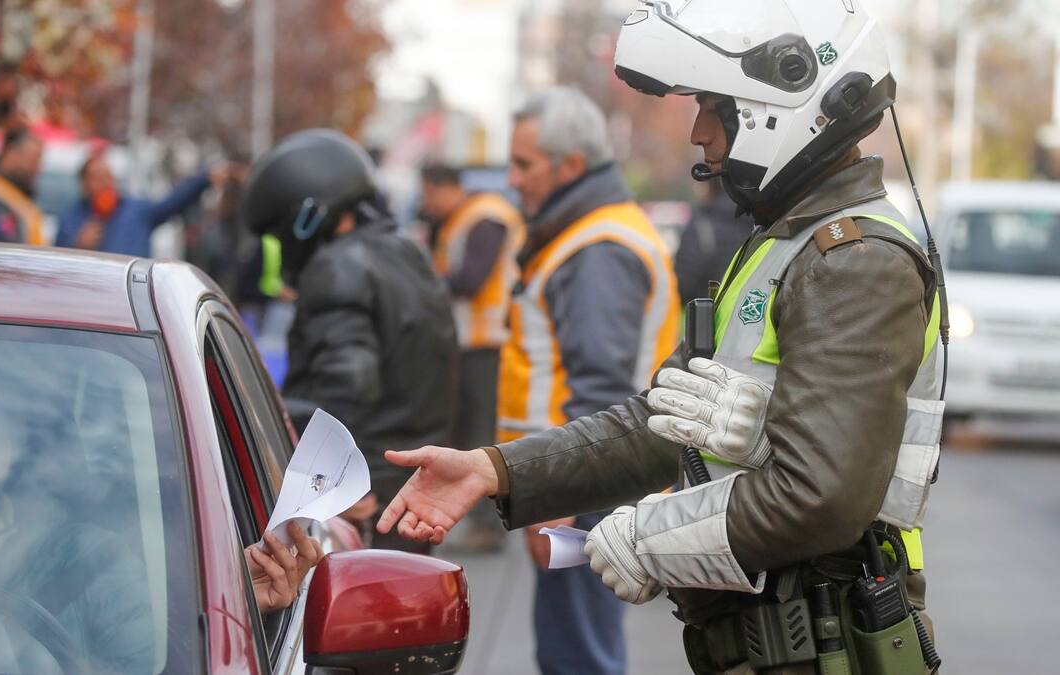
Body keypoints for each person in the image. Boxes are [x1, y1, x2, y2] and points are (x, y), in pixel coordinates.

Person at [378, 3, 945, 674]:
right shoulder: (782, 245)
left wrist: (650, 538)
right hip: (770, 645)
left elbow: (820, 495)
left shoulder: (854, 259)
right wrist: (494, 470)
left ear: (785, 101)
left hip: (826, 646)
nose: (702, 132)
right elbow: (660, 421)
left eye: (715, 106)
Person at [508, 86, 684, 675]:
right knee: (576, 648)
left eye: (524, 164)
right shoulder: (592, 235)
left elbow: (601, 388)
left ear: (572, 166)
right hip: (580, 486)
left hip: (582, 493)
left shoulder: (597, 249)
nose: (512, 179)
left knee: (576, 655)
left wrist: (557, 498)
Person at [243, 129, 457, 554]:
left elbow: (345, 388)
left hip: (363, 496)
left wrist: (258, 413)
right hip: (409, 484)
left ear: (304, 217)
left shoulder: (337, 268)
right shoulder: (403, 252)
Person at [420, 163, 525, 552]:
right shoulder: (463, 218)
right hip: (470, 341)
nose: (427, 204)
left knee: (480, 432)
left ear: (444, 186)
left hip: (488, 341)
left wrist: (425, 283)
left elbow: (470, 279)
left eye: (428, 194)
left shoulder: (486, 218)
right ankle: (481, 520)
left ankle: (488, 524)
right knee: (469, 430)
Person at [54, 151, 233, 257]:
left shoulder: (136, 210)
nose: (105, 183)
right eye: (97, 177)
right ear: (83, 183)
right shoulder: (69, 221)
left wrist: (204, 180)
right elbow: (57, 266)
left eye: (108, 177)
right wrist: (77, 246)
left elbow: (172, 202)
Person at [674, 180, 751, 305]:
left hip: (710, 316)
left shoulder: (701, 226)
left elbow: (684, 284)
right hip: (748, 312)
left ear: (710, 187)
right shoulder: (758, 225)